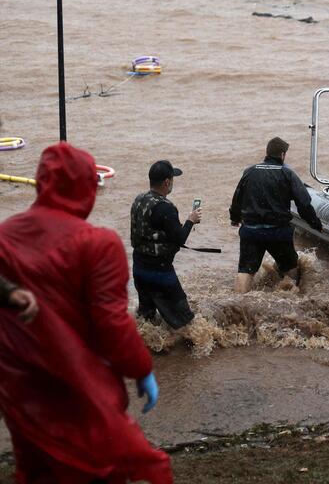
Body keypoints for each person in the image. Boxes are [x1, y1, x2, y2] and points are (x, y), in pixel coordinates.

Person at [0, 142, 171, 483]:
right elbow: (112, 324)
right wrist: (140, 368)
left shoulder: (5, 235)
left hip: (20, 388)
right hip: (77, 385)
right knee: (122, 468)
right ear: (87, 186)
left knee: (36, 471)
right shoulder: (98, 244)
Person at [230, 137, 322, 293]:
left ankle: (236, 303)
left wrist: (234, 218)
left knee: (246, 270)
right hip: (278, 232)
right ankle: (292, 300)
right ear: (282, 154)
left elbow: (237, 198)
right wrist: (314, 223)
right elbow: (303, 203)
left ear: (267, 153)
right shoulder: (287, 173)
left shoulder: (249, 171)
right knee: (290, 268)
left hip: (251, 231)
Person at [131, 159, 201, 329]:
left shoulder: (139, 200)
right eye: (172, 180)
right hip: (160, 273)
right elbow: (179, 238)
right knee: (188, 326)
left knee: (146, 322)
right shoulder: (166, 208)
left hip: (139, 269)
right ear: (167, 182)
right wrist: (191, 221)